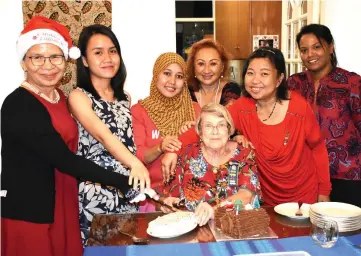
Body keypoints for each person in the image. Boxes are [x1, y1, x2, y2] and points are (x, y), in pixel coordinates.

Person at [0, 16, 151, 256]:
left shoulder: (59, 98)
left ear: (65, 61)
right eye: (37, 57)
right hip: (31, 208)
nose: (48, 65)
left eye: (56, 57)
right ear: (23, 63)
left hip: (63, 201)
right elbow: (64, 158)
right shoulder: (18, 103)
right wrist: (124, 182)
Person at [162, 48, 332, 207]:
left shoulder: (299, 108)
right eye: (250, 73)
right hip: (267, 198)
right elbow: (211, 125)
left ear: (279, 79)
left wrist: (324, 192)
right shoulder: (242, 107)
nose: (255, 80)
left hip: (303, 194)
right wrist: (173, 150)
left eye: (264, 74)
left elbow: (317, 148)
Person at [68, 24, 150, 245]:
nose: (108, 58)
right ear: (84, 60)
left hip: (127, 188)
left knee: (126, 248)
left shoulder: (125, 98)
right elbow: (104, 136)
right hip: (96, 190)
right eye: (98, 52)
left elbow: (127, 142)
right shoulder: (79, 96)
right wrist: (136, 164)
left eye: (112, 51)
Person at [288, 24, 361, 207]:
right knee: (308, 231)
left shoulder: (351, 83)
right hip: (305, 176)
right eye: (304, 50)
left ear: (330, 47)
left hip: (346, 176)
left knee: (348, 232)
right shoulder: (294, 83)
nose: (310, 54)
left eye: (316, 47)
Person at [159, 103, 261, 226]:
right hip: (192, 230)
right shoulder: (187, 154)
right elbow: (166, 196)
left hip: (234, 228)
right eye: (208, 126)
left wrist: (214, 210)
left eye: (221, 125)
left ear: (229, 130)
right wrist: (167, 202)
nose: (215, 131)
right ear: (200, 132)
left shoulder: (244, 154)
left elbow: (246, 195)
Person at [131, 52, 200, 203]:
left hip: (191, 195)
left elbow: (205, 147)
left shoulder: (194, 110)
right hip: (153, 197)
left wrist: (177, 146)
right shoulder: (139, 111)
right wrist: (161, 147)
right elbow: (139, 155)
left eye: (179, 76)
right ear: (156, 75)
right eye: (167, 73)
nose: (172, 81)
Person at [187, 39, 241, 108]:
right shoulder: (186, 92)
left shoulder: (231, 90)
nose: (207, 70)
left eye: (213, 63)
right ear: (193, 67)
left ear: (222, 67)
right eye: (201, 64)